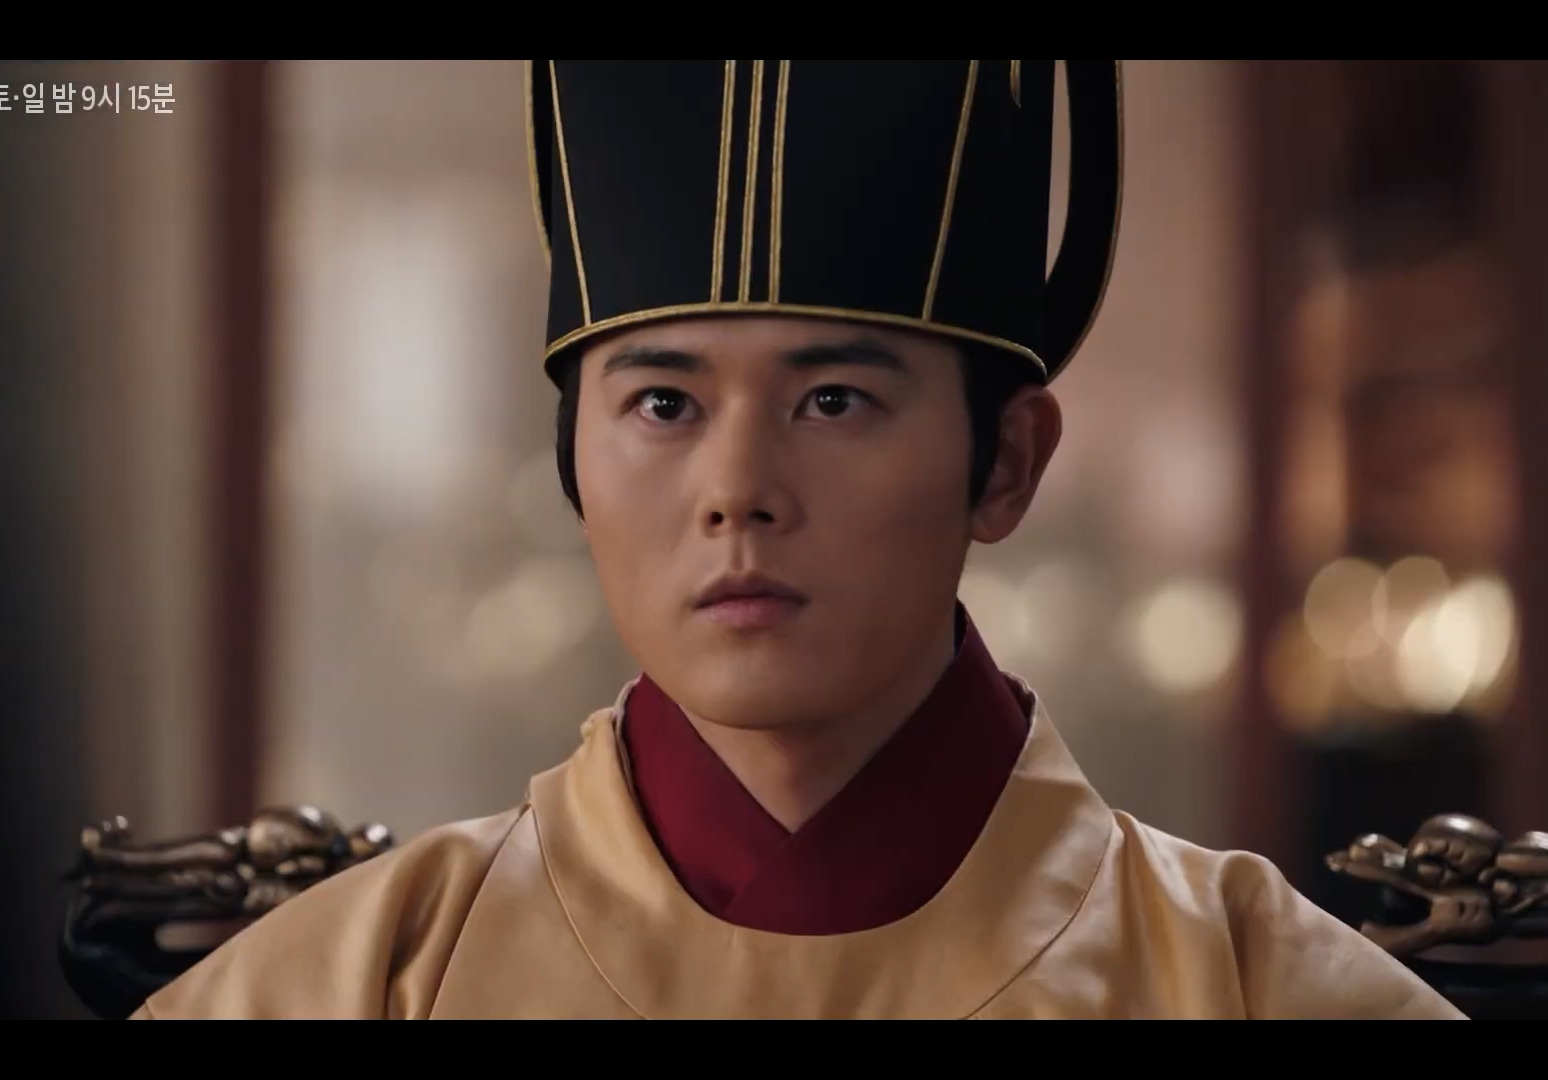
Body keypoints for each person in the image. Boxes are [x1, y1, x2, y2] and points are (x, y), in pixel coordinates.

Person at [134, 60, 1465, 1019]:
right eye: (664, 404)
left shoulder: (1254, 983)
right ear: (573, 461)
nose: (737, 492)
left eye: (832, 401)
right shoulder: (362, 981)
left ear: (1006, 464)